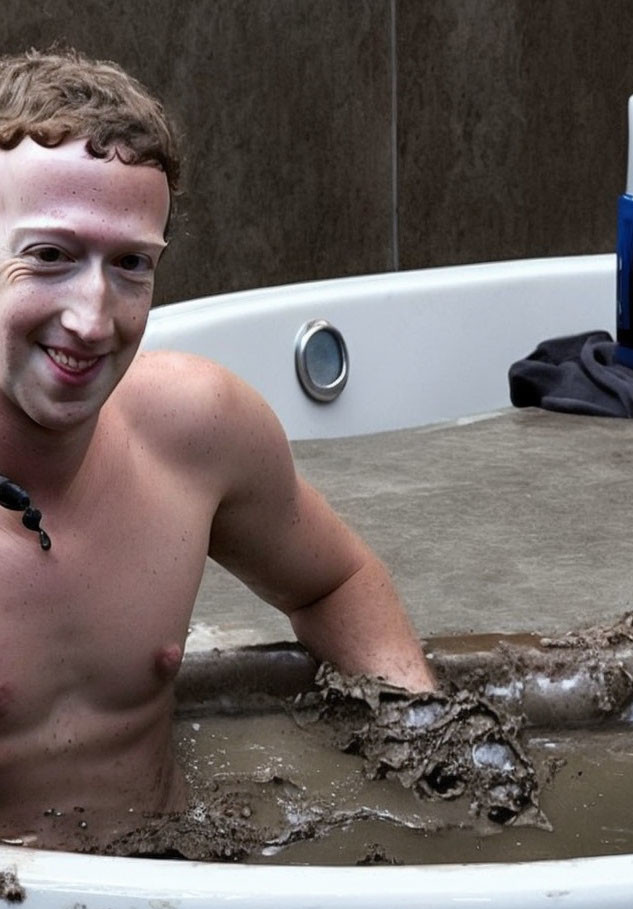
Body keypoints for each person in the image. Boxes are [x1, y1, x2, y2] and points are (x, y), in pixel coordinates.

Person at [0, 48, 435, 849]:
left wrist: (428, 746)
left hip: (181, 890)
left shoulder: (193, 428)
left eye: (131, 264)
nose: (93, 320)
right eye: (51, 257)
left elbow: (334, 582)